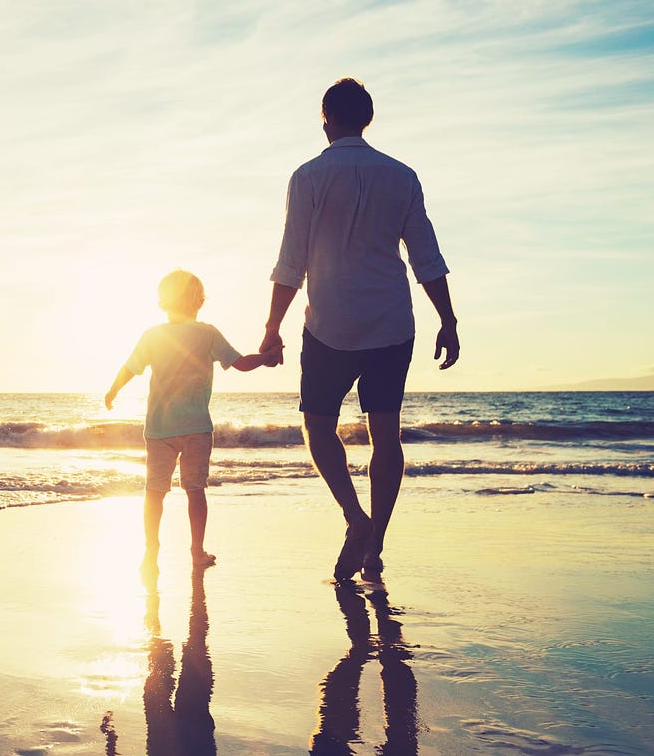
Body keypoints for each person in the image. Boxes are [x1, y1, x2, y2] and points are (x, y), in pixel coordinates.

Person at [260, 78, 459, 583]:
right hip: (392, 322)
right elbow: (425, 255)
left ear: (325, 118)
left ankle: (355, 518)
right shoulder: (402, 175)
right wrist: (448, 319)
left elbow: (292, 261)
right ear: (367, 118)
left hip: (329, 322)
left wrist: (272, 327)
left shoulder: (307, 177)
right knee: (385, 434)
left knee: (318, 427)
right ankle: (376, 548)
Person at [106, 269, 274, 578]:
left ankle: (151, 551)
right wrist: (265, 358)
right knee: (195, 491)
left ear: (162, 302)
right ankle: (197, 552)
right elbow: (240, 363)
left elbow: (130, 368)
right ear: (199, 301)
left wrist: (113, 390)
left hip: (159, 428)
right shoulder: (207, 333)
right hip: (196, 427)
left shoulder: (152, 335)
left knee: (154, 492)